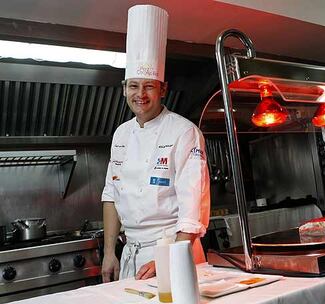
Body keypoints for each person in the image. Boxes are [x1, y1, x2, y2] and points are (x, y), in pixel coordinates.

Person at [101, 5, 210, 282]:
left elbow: (192, 211)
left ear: (163, 89)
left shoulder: (184, 132)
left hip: (174, 253)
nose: (140, 94)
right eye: (133, 86)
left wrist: (169, 259)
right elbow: (112, 194)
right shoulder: (121, 134)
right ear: (124, 88)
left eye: (149, 86)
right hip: (131, 256)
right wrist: (109, 252)